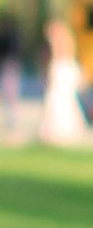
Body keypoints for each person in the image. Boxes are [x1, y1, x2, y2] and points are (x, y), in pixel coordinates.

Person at [38, 18, 90, 146]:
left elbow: (57, 61)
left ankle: (58, 131)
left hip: (63, 71)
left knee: (59, 100)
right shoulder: (69, 41)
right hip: (66, 70)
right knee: (64, 101)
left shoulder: (58, 45)